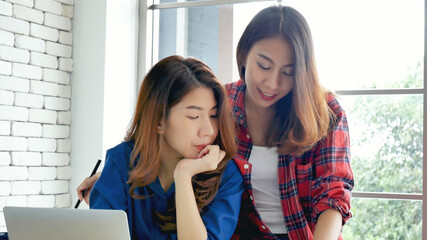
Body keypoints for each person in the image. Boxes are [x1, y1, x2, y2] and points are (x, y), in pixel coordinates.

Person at [77, 5, 353, 240]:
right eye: (264, 66)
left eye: (289, 72)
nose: (272, 83)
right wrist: (117, 178)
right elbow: (169, 143)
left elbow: (332, 198)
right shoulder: (222, 103)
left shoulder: (325, 113)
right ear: (244, 56)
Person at [88, 55, 245, 240]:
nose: (208, 131)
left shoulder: (227, 176)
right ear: (158, 121)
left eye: (213, 115)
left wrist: (183, 176)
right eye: (194, 116)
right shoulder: (121, 161)